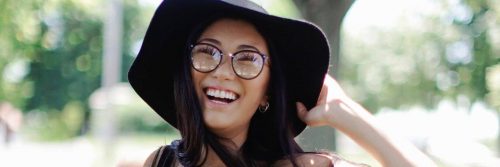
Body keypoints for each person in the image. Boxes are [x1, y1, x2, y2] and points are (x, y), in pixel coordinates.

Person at [128, 0, 436, 166]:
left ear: (267, 93)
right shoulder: (161, 162)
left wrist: (345, 112)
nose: (223, 71)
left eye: (247, 59)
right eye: (208, 52)